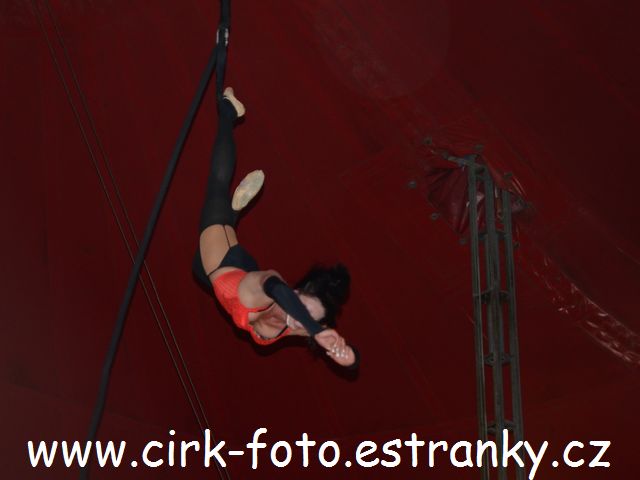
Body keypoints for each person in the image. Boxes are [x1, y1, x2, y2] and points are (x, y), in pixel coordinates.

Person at [192, 87, 358, 368]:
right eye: (299, 310)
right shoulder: (267, 289)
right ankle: (229, 111)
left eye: (303, 320)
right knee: (217, 188)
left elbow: (351, 358)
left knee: (198, 266)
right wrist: (314, 328)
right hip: (226, 267)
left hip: (223, 274)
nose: (291, 318)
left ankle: (233, 214)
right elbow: (276, 290)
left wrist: (344, 353)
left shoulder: (297, 326)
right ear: (293, 294)